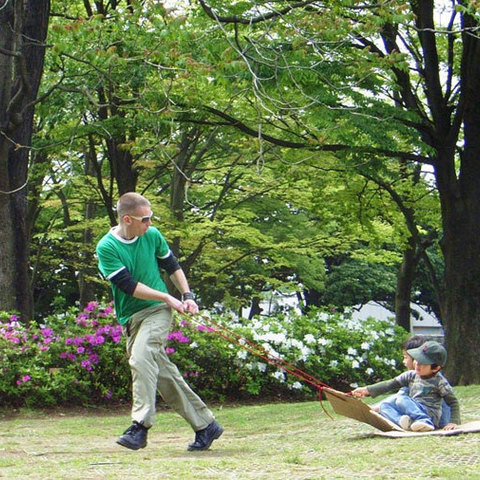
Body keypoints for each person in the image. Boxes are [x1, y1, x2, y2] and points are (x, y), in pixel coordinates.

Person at [96, 192, 223, 451]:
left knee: (141, 358)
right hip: (133, 317)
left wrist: (187, 295)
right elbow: (128, 286)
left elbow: (173, 266)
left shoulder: (152, 236)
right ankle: (206, 425)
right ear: (128, 219)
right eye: (145, 219)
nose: (150, 224)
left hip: (157, 312)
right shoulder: (107, 247)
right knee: (164, 375)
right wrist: (167, 295)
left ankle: (139, 427)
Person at [352, 340, 460, 432]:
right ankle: (404, 422)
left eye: (423, 362)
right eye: (417, 359)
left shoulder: (439, 381)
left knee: (401, 399)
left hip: (430, 415)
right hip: (413, 412)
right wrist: (366, 390)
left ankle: (423, 421)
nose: (417, 364)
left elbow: (453, 402)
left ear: (435, 368)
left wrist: (453, 422)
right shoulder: (411, 375)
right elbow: (390, 384)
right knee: (384, 407)